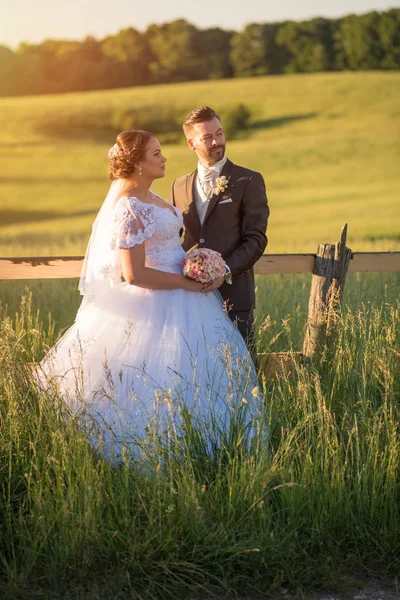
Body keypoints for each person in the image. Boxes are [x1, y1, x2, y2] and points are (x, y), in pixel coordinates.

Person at [37, 130, 261, 461]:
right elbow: (134, 273)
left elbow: (168, 244)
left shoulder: (152, 195)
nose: (164, 158)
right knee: (157, 376)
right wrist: (186, 283)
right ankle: (158, 449)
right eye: (156, 154)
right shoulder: (128, 205)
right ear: (138, 163)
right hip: (159, 299)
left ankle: (210, 445)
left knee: (200, 372)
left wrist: (195, 264)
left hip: (188, 294)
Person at [171, 106, 270, 346]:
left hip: (234, 297)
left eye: (220, 133)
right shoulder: (178, 185)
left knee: (240, 373)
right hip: (190, 297)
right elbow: (178, 239)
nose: (216, 142)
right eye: (207, 137)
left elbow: (256, 239)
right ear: (191, 143)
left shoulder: (248, 180)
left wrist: (224, 270)